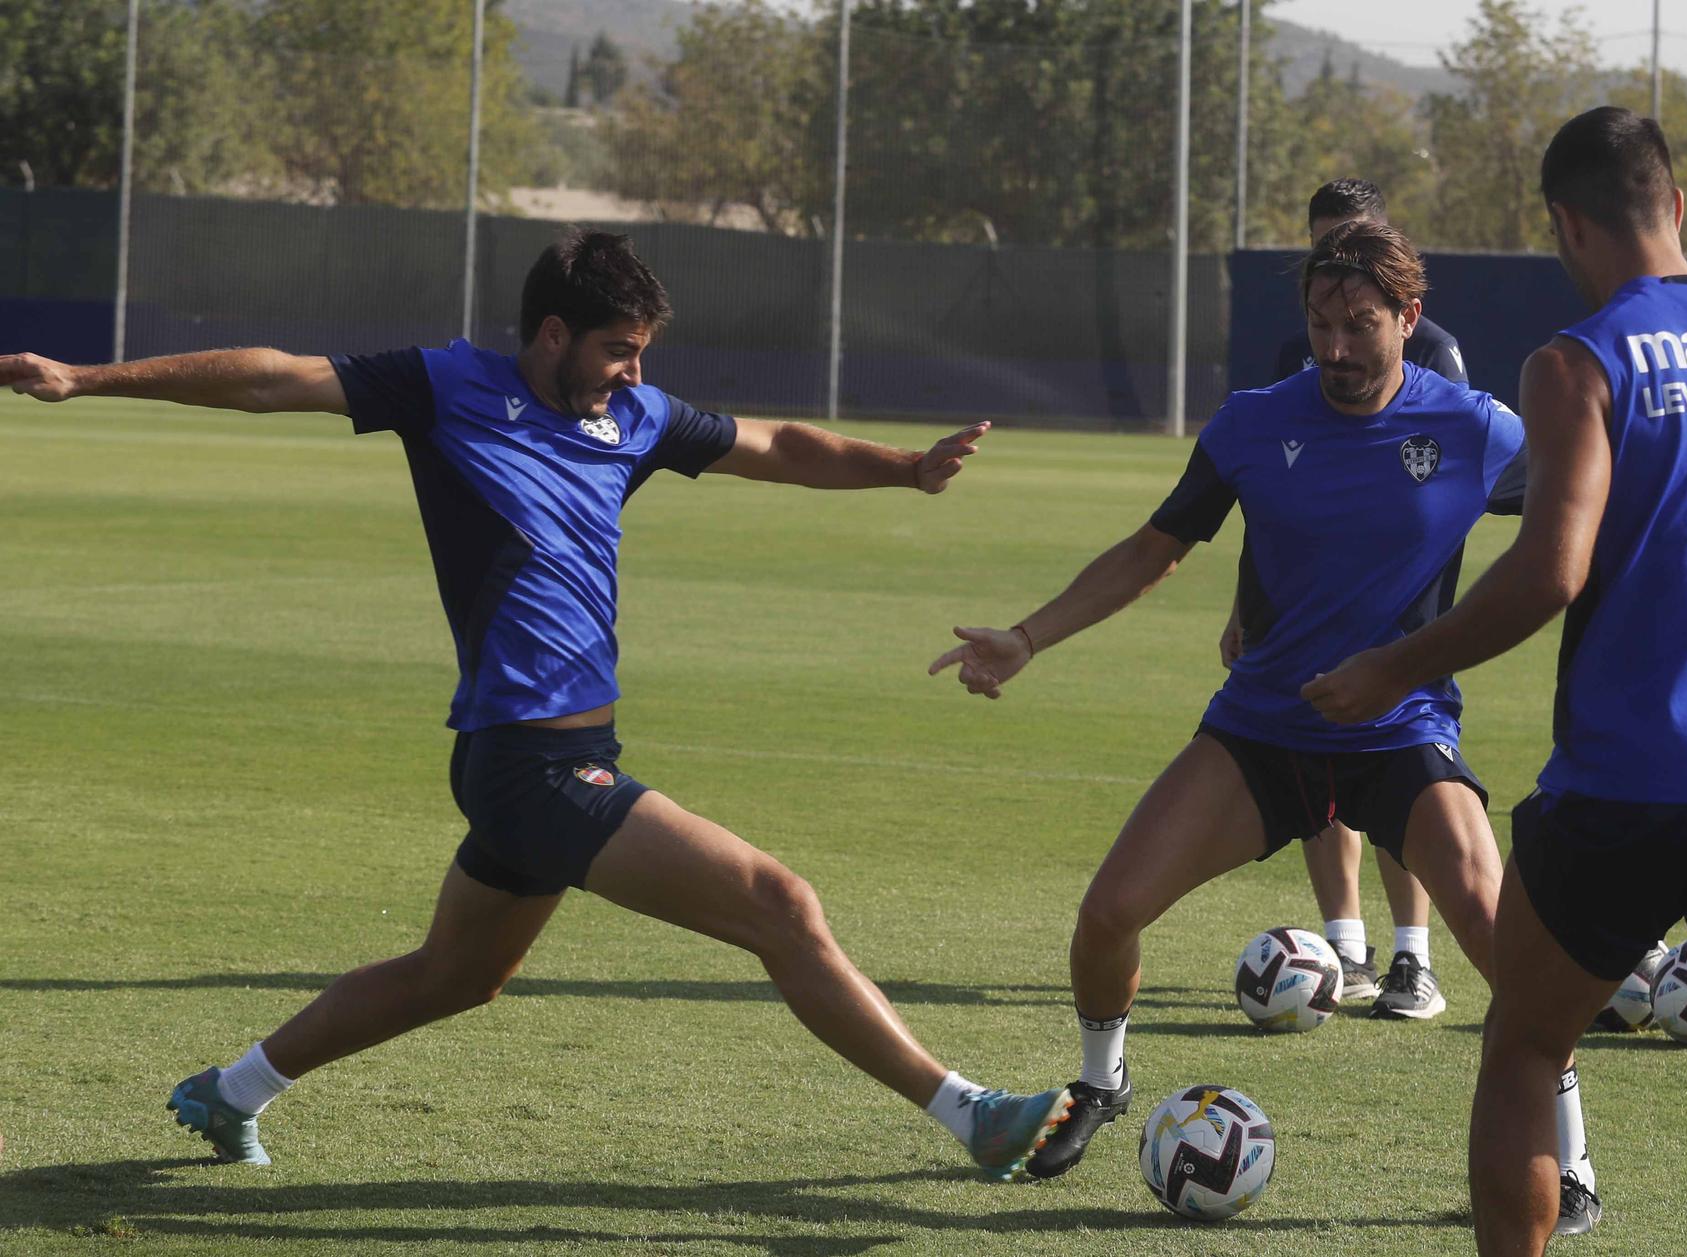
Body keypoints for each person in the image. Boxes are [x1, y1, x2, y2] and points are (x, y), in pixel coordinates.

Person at [0, 228, 1072, 1183]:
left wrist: (905, 470)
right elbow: (273, 378)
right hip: (531, 767)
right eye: (617, 349)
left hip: (564, 754)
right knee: (778, 905)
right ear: (551, 334)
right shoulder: (441, 386)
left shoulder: (635, 415)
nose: (633, 373)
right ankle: (966, 1112)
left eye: (642, 353)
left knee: (452, 977)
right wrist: (86, 378)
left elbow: (775, 446)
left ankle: (226, 1093)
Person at [1301, 106, 1687, 1257]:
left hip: (1626, 780)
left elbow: (1547, 572)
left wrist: (1392, 667)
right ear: (1674, 204)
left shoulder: (1576, 360)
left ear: (1565, 226)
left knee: (1523, 1047)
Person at [929, 221, 1599, 1231]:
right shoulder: (1251, 423)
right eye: (1318, 323)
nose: (1333, 348)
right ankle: (1100, 1084)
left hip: (1401, 734)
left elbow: (1582, 525)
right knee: (1108, 912)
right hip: (1260, 737)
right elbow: (1153, 547)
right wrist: (1028, 637)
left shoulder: (1474, 430)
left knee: (1507, 945)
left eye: (1359, 325)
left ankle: (1574, 1163)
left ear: (1407, 320)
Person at [1239, 177, 1471, 1018]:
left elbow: (1455, 489)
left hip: (1400, 621)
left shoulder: (1437, 356)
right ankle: (1343, 945)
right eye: (1320, 249)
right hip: (1303, 616)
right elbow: (1262, 494)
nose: (1333, 267)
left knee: (1400, 783)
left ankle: (1413, 955)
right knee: (1314, 772)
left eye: (1350, 244)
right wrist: (1243, 606)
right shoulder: (1291, 357)